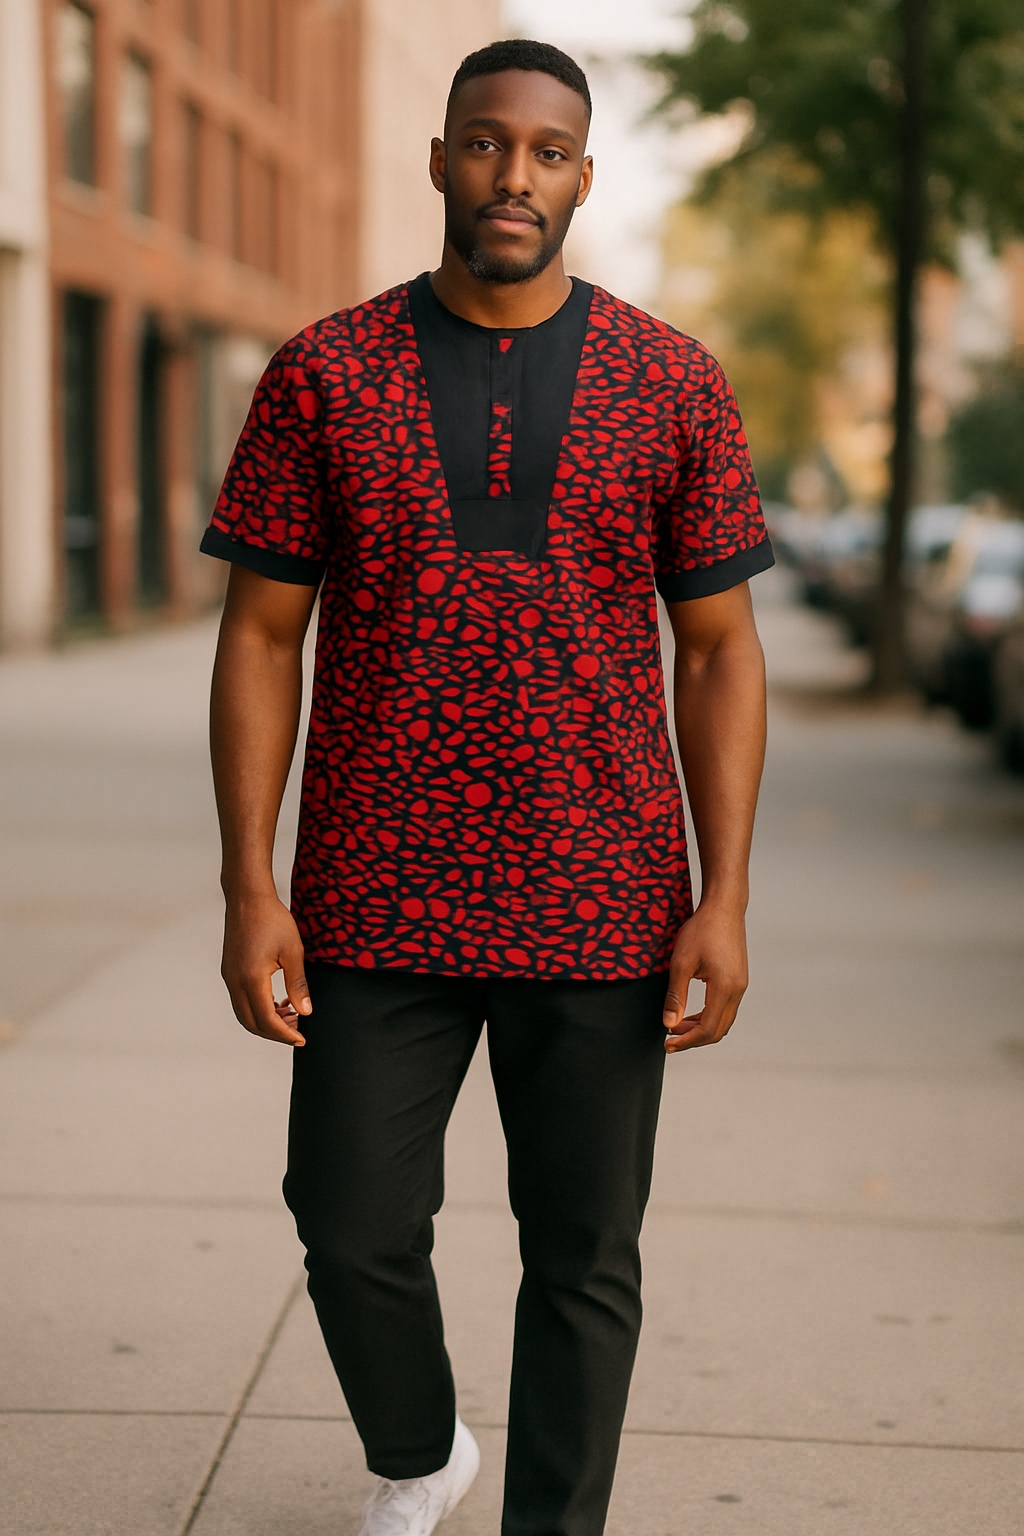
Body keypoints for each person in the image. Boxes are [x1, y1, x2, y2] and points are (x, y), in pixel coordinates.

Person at [203, 38, 772, 1536]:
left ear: (584, 174)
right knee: (349, 1223)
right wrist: (248, 882)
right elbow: (263, 634)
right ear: (441, 157)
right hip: (371, 894)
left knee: (584, 1252)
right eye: (483, 142)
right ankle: (418, 1446)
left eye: (544, 150)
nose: (510, 174)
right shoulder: (323, 370)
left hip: (604, 897)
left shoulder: (674, 380)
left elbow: (719, 653)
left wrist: (725, 899)